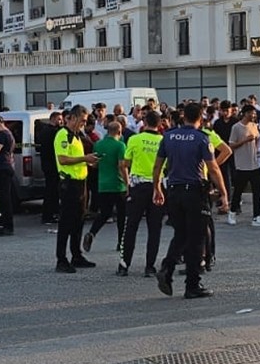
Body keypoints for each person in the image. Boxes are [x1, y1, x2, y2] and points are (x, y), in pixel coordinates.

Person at [152, 102, 229, 300]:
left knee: (180, 234)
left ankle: (167, 269)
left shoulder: (168, 137)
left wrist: (156, 188)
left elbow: (158, 166)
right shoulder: (202, 139)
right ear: (200, 118)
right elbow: (213, 168)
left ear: (183, 116)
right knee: (197, 238)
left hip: (174, 191)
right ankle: (192, 285)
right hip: (194, 192)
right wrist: (223, 192)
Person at [54, 105, 98, 273]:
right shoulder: (63, 135)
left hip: (81, 183)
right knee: (66, 222)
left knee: (79, 221)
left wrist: (88, 162)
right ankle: (61, 259)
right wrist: (84, 158)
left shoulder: (78, 136)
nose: (83, 124)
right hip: (69, 184)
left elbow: (76, 159)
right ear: (72, 118)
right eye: (82, 120)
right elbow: (64, 159)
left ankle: (76, 255)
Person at [121, 111, 164, 276]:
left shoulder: (134, 139)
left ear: (144, 122)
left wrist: (128, 182)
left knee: (131, 225)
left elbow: (125, 163)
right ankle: (150, 267)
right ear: (160, 124)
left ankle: (124, 264)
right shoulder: (163, 140)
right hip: (157, 187)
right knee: (155, 228)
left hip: (137, 186)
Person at [83, 121, 126, 268]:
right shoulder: (120, 145)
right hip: (118, 185)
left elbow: (95, 164)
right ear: (119, 132)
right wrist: (127, 183)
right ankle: (121, 242)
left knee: (104, 213)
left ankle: (92, 233)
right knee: (122, 215)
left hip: (103, 184)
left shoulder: (98, 144)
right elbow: (122, 166)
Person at [228, 105, 260, 227]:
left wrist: (257, 148)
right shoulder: (236, 127)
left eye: (254, 113)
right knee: (238, 191)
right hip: (242, 166)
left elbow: (258, 138)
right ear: (245, 113)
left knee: (256, 193)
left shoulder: (254, 126)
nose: (253, 115)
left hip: (255, 165)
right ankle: (232, 213)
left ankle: (256, 217)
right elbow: (231, 145)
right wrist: (245, 141)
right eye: (251, 113)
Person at [38, 111, 63, 226]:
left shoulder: (43, 131)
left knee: (51, 190)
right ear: (53, 119)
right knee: (51, 191)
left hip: (47, 164)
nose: (61, 121)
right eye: (59, 119)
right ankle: (49, 215)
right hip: (52, 165)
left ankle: (51, 213)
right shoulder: (53, 132)